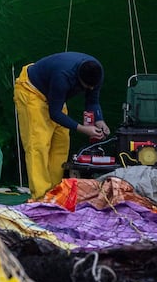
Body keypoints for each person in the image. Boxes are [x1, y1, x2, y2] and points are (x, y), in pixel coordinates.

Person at [14, 51, 108, 199]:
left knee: (61, 143)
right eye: (86, 87)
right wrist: (83, 129)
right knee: (38, 144)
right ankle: (41, 197)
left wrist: (100, 120)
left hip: (53, 96)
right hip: (32, 91)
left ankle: (56, 193)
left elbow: (92, 101)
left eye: (92, 87)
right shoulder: (62, 77)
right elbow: (55, 113)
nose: (89, 89)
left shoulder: (97, 72)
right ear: (78, 79)